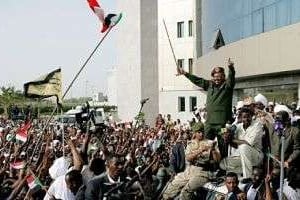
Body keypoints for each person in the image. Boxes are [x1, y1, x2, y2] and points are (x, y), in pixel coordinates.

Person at [177, 59, 235, 156]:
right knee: (205, 145)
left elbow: (231, 78)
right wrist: (185, 73)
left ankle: (224, 167)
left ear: (223, 77)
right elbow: (197, 80)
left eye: (219, 77)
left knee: (223, 145)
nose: (217, 79)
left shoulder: (227, 86)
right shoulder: (209, 85)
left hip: (223, 125)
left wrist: (231, 68)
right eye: (215, 77)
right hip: (209, 123)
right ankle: (207, 165)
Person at [162, 124, 221, 200]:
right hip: (191, 169)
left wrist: (213, 150)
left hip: (204, 171)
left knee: (186, 191)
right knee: (172, 186)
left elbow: (218, 160)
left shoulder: (210, 143)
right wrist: (200, 150)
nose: (201, 134)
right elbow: (188, 158)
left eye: (202, 131)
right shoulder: (190, 143)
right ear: (195, 133)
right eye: (199, 132)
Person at [220, 107, 264, 179]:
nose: (246, 119)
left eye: (248, 117)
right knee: (223, 164)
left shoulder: (257, 125)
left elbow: (248, 143)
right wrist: (226, 137)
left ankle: (248, 177)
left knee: (244, 147)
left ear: (251, 116)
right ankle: (251, 170)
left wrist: (230, 139)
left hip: (256, 156)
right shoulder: (239, 127)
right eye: (244, 117)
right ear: (240, 118)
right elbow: (234, 144)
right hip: (242, 157)